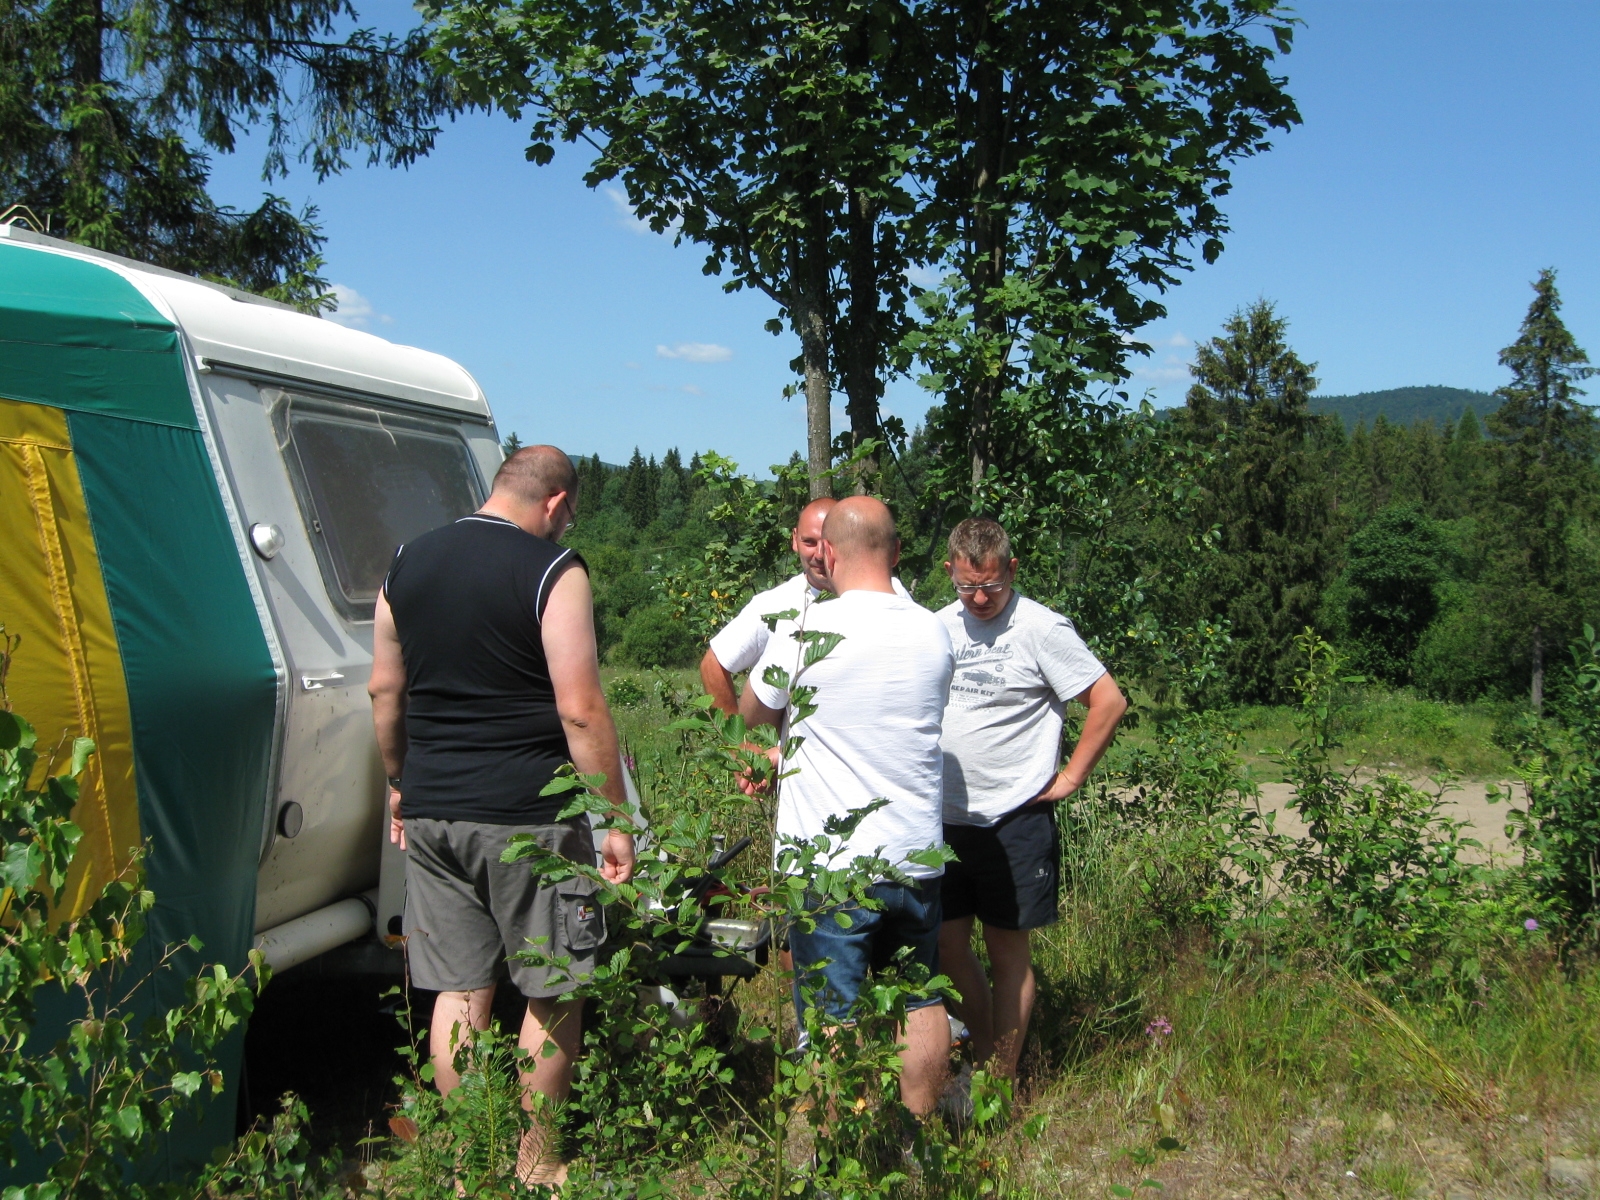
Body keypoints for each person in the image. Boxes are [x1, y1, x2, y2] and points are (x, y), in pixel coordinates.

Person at [369, 444, 635, 1187]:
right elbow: (580, 708)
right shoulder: (553, 569)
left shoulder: (406, 563)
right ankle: (536, 1163)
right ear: (556, 503)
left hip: (434, 812)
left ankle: (468, 1167)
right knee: (553, 988)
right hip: (529, 813)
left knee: (458, 990)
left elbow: (384, 690)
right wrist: (614, 819)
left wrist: (399, 780)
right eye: (568, 515)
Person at [739, 496, 955, 1116]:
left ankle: (843, 1144)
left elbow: (752, 713)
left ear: (828, 553)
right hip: (916, 853)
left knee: (832, 1010)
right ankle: (918, 1135)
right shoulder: (934, 630)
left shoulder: (805, 630)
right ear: (896, 553)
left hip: (831, 862)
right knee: (920, 997)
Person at [936, 518, 1127, 1081]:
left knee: (1007, 953)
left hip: (1014, 816)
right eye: (967, 586)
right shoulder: (936, 628)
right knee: (946, 946)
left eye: (992, 586)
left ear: (1012, 570)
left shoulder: (1041, 628)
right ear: (949, 572)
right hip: (943, 819)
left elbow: (1109, 701)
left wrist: (1070, 778)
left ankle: (1000, 1082)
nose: (980, 598)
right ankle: (983, 1053)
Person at [700, 496, 912, 716]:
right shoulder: (773, 605)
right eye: (809, 542)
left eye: (829, 542)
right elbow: (713, 665)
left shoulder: (891, 594)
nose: (819, 554)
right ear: (794, 539)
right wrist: (735, 736)